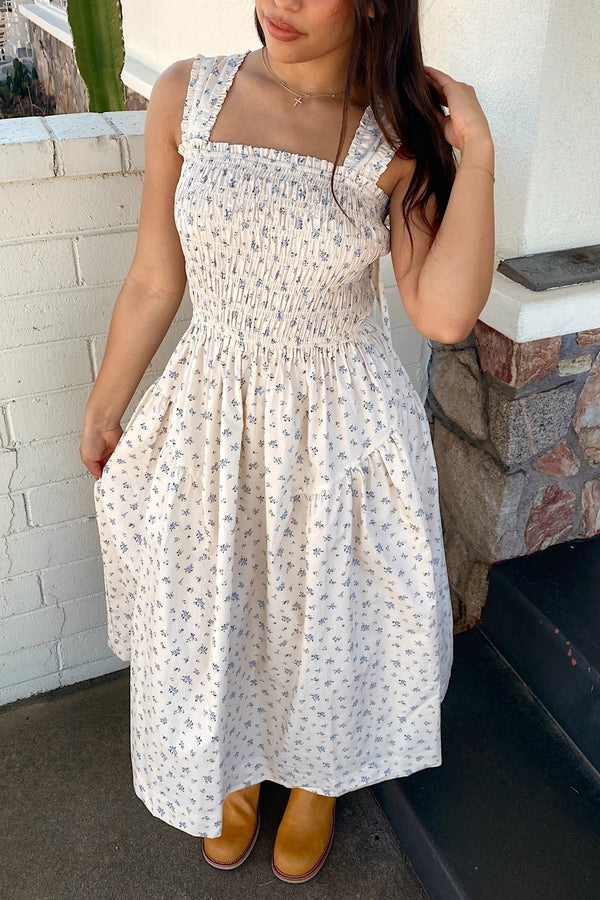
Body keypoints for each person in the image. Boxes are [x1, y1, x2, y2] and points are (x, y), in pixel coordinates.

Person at [80, 0, 494, 885]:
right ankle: (236, 770)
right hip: (213, 411)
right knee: (218, 597)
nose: (283, 3)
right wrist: (107, 401)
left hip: (340, 426)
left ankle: (313, 781)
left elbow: (444, 311)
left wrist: (479, 156)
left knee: (320, 609)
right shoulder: (188, 95)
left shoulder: (397, 137)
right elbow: (157, 276)